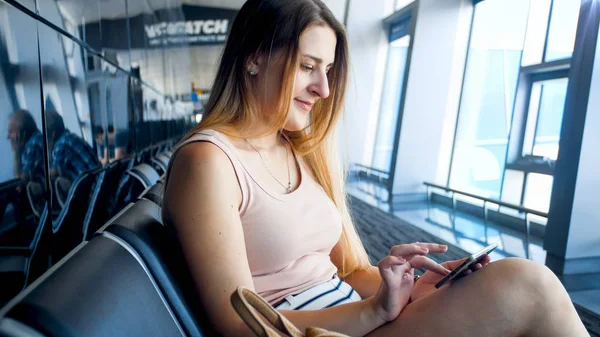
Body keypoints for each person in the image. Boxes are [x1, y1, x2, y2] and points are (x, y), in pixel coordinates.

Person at [162, 1, 589, 336]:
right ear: (253, 58)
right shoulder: (209, 161)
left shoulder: (295, 148)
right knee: (530, 287)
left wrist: (408, 286)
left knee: (511, 291)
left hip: (356, 316)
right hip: (314, 331)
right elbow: (238, 322)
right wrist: (373, 311)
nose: (324, 88)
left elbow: (346, 272)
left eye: (327, 70)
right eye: (308, 66)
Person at [46, 110, 100, 182]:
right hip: (97, 181)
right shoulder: (72, 137)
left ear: (53, 133)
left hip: (88, 186)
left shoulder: (61, 145)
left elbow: (54, 172)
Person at [7, 110, 45, 185]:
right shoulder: (37, 139)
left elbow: (20, 183)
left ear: (23, 133)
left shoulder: (33, 144)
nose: (8, 137)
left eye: (11, 132)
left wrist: (16, 153)